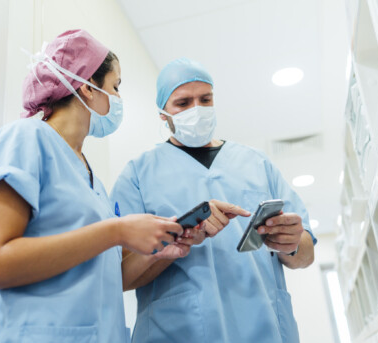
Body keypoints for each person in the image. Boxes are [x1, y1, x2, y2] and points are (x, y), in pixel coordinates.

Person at [0, 30, 192, 343]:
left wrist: (160, 251)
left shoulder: (91, 178)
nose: (119, 99)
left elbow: (105, 277)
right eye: (115, 87)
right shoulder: (25, 139)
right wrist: (117, 231)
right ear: (87, 87)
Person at [110, 57, 317, 343]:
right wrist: (179, 237)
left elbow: (306, 255)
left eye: (205, 99)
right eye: (183, 103)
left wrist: (293, 243)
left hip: (264, 327)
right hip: (178, 331)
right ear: (163, 114)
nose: (197, 110)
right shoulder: (138, 175)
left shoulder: (256, 163)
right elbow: (119, 276)